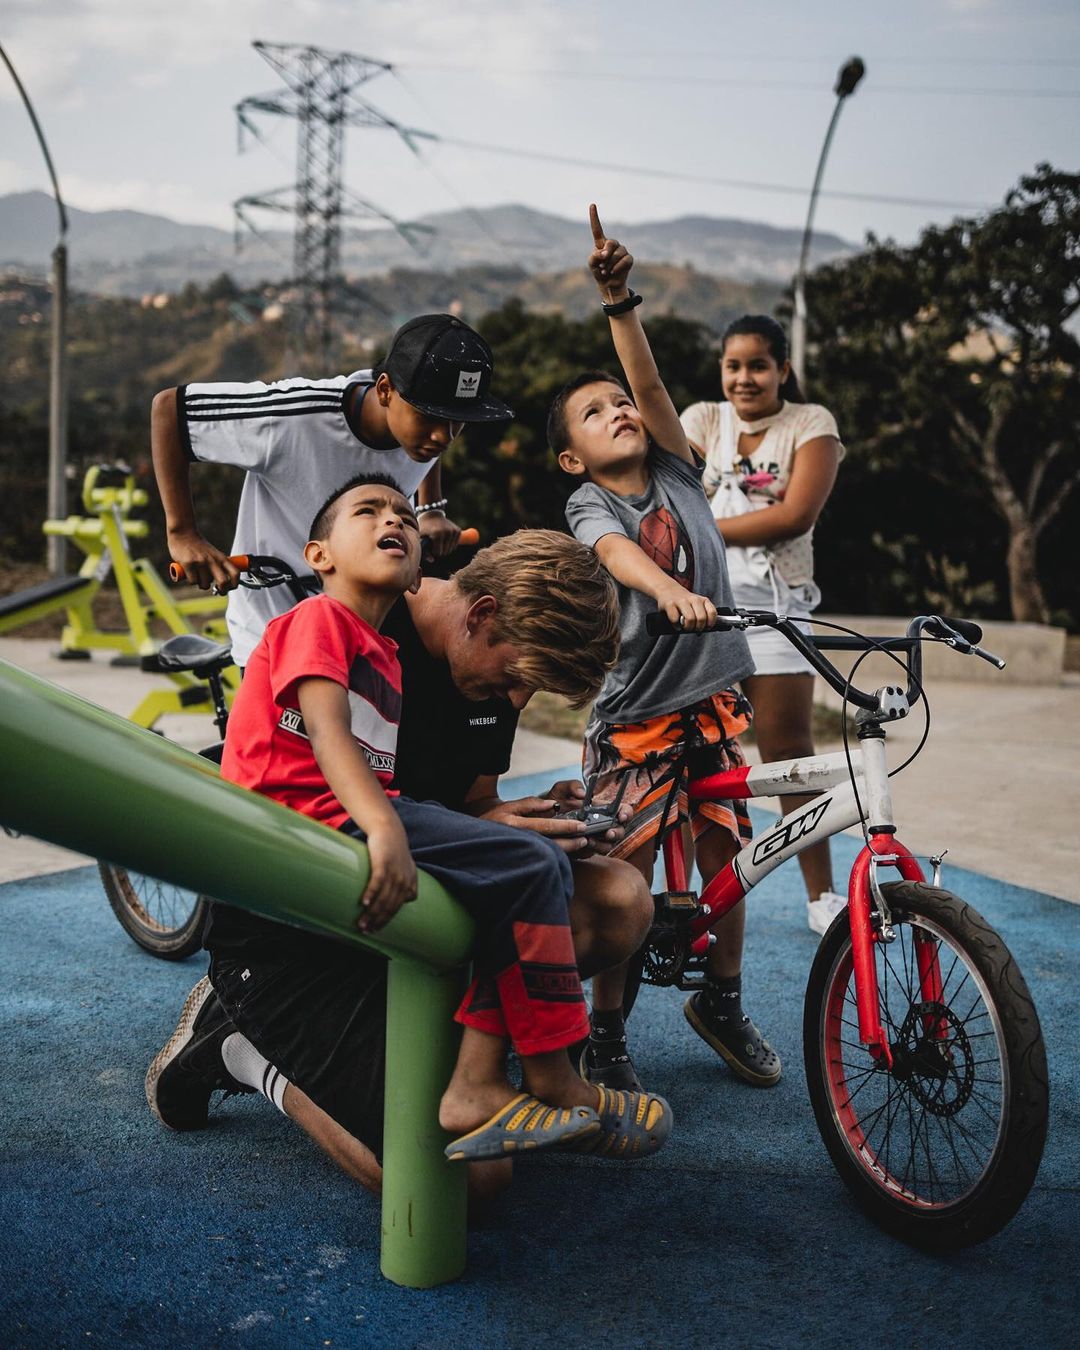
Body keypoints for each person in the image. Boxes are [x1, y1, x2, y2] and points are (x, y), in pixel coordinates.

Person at [146, 476, 671, 1201]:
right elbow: (325, 748)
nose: (514, 702)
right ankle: (240, 1049)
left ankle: (482, 1071)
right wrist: (388, 821)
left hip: (392, 889)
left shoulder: (387, 657)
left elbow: (464, 800)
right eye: (516, 680)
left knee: (599, 890)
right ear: (481, 614)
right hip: (288, 924)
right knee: (469, 1186)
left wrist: (516, 814)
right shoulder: (334, 624)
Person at [551, 206, 779, 1094]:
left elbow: (648, 387)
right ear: (571, 458)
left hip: (714, 698)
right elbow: (616, 557)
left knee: (732, 857)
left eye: (618, 405)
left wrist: (620, 305)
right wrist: (669, 588)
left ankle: (718, 998)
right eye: (592, 414)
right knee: (626, 874)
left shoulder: (679, 468)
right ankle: (605, 1027)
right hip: (637, 713)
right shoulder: (589, 508)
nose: (617, 413)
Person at [151, 313, 512, 670]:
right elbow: (170, 410)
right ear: (385, 390)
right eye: (429, 416)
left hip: (362, 632)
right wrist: (182, 533)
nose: (443, 437)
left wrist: (429, 509)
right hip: (274, 632)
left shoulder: (417, 437)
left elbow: (427, 452)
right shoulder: (293, 418)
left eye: (457, 421)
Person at [679, 316, 845, 937]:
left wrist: (703, 528)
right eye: (733, 366)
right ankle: (697, 896)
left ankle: (821, 895)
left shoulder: (811, 424)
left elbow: (794, 517)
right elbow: (670, 494)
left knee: (787, 751)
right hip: (700, 605)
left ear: (781, 370)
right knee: (693, 752)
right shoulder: (702, 420)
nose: (743, 378)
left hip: (777, 608)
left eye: (757, 366)